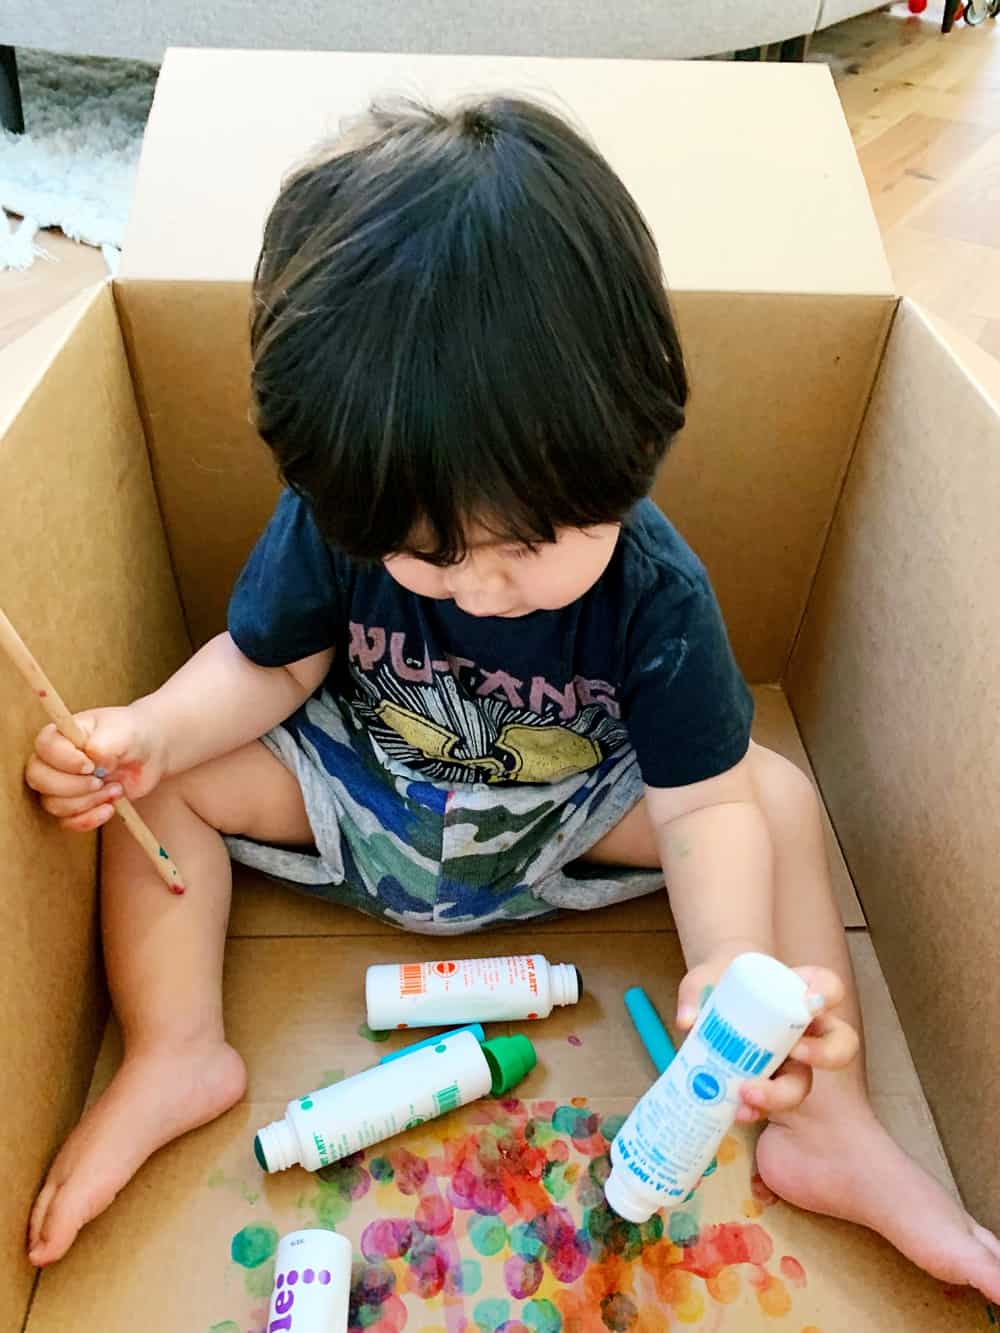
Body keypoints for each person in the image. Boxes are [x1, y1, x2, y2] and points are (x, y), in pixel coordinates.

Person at [23, 97, 1000, 1298]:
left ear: (630, 454)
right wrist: (146, 736)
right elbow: (265, 664)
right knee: (162, 786)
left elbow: (700, 813)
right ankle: (177, 1052)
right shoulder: (342, 518)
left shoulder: (655, 589)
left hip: (558, 827)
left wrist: (729, 972)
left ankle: (830, 1127)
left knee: (775, 798)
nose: (481, 585)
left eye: (532, 544)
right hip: (359, 797)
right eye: (428, 556)